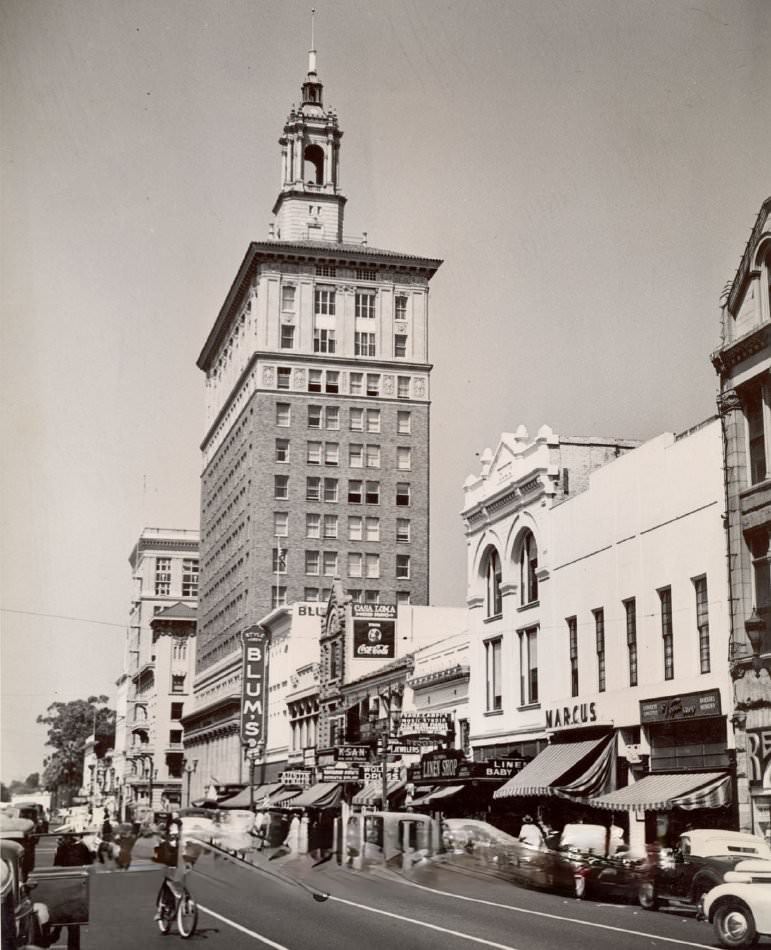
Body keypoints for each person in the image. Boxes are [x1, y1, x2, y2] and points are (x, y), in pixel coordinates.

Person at [52, 832, 92, 950]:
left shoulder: (62, 849)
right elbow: (89, 864)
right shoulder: (83, 848)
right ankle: (73, 946)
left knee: (62, 909)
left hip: (63, 882)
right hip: (78, 882)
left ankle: (56, 932)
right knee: (74, 916)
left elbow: (56, 866)